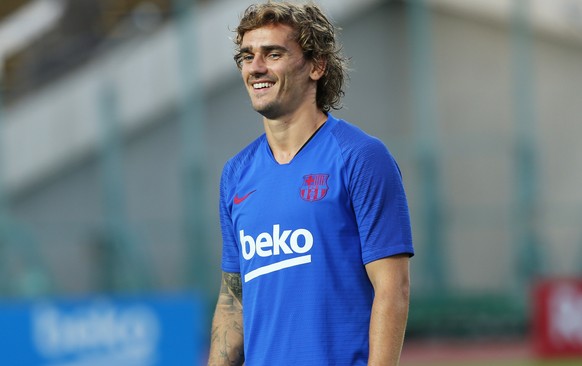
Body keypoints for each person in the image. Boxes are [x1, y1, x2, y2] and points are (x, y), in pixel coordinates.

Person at [208, 2, 414, 365]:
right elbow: (233, 299)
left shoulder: (361, 157)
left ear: (317, 66)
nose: (256, 67)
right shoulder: (235, 174)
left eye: (273, 54)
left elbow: (392, 289)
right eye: (247, 56)